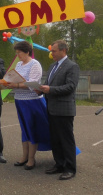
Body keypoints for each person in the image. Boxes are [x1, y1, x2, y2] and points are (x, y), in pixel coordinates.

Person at [6, 41, 51, 170]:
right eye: (17, 52)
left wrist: (16, 85)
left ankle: (31, 159)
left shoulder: (35, 64)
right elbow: (15, 78)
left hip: (33, 101)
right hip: (20, 100)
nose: (18, 55)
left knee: (32, 128)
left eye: (19, 52)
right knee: (24, 128)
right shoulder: (19, 64)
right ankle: (24, 156)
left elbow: (33, 83)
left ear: (27, 52)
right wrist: (7, 83)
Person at [38, 40, 80, 180]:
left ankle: (70, 168)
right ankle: (59, 164)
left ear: (63, 51)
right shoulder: (52, 66)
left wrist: (50, 90)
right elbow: (47, 84)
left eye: (54, 51)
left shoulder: (72, 66)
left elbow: (70, 87)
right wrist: (40, 89)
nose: (52, 53)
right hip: (51, 108)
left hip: (64, 109)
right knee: (55, 139)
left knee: (66, 140)